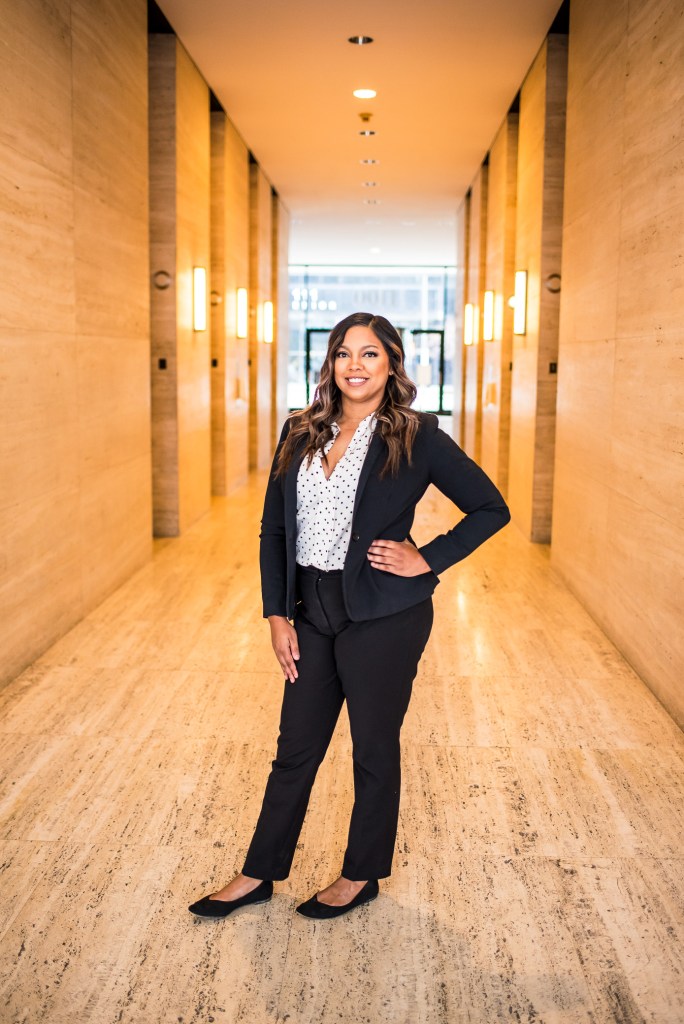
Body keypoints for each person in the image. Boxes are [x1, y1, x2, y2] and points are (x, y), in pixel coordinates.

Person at [189, 311, 510, 921]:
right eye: (343, 354)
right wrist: (277, 614)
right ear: (329, 363)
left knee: (372, 747)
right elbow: (274, 529)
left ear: (391, 364)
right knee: (295, 748)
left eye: (369, 354)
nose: (354, 366)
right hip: (310, 610)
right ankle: (259, 871)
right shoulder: (301, 430)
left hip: (384, 614)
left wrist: (428, 558)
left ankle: (360, 874)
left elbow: (490, 509)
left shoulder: (416, 436)